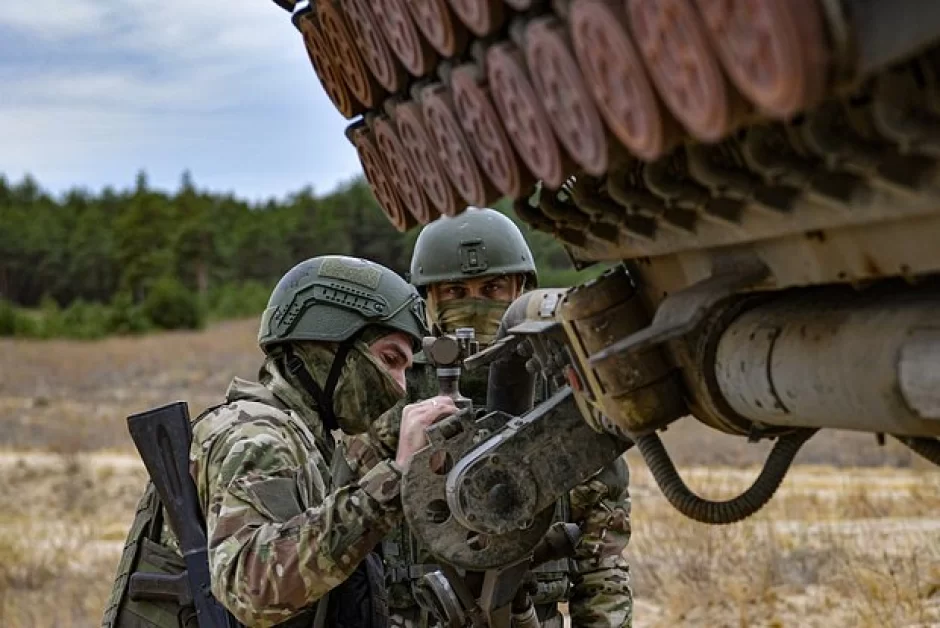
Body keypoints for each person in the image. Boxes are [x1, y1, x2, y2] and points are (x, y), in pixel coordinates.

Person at [102, 255, 457, 628]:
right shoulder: (255, 436)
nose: (400, 385)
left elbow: (329, 504)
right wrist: (395, 478)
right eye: (389, 359)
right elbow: (254, 587)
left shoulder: (303, 439)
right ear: (329, 344)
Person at [343, 208, 634, 628]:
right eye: (455, 291)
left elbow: (602, 560)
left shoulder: (562, 398)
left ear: (521, 290)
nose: (473, 304)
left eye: (493, 287)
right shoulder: (396, 390)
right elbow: (345, 528)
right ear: (428, 300)